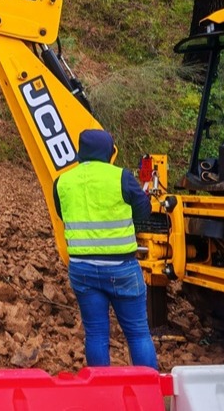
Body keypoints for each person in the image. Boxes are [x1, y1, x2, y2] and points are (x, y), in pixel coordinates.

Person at [52, 129, 158, 369]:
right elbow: (144, 211)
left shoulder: (62, 181)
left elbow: (62, 213)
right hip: (121, 268)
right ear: (109, 151)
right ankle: (149, 391)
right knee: (138, 333)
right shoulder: (121, 177)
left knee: (97, 334)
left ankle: (102, 393)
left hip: (82, 269)